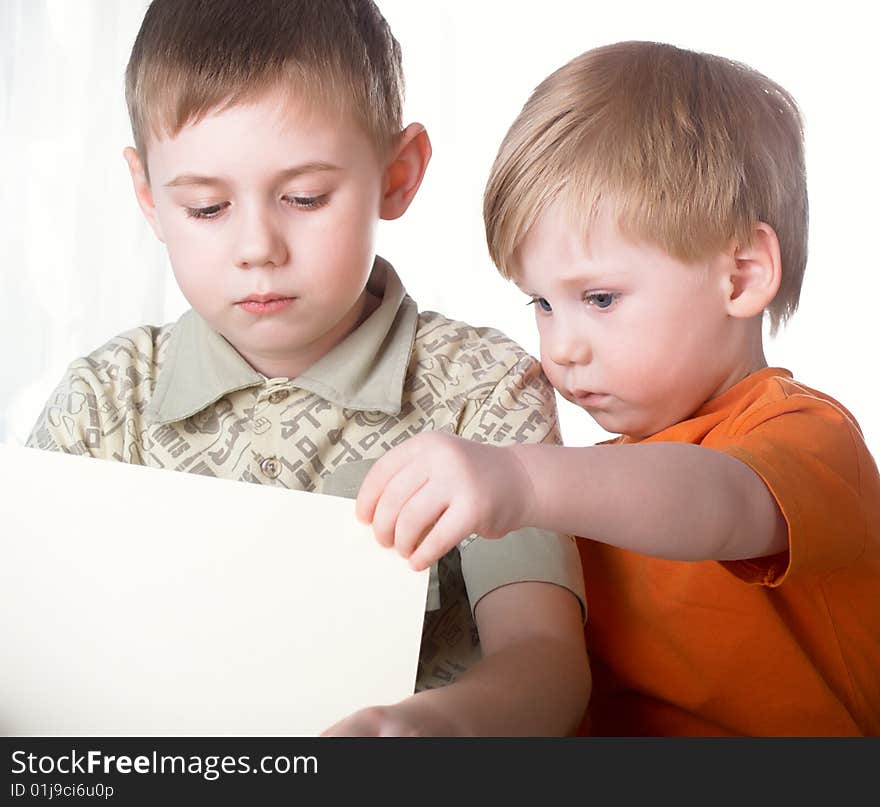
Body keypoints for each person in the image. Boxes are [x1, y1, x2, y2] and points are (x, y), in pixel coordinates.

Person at [25, 0, 589, 736]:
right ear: (148, 198)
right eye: (205, 207)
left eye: (304, 198)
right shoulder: (103, 401)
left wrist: (438, 728)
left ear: (398, 173)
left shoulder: (482, 386)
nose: (258, 245)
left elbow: (546, 659)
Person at [355, 41, 880, 736]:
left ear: (743, 276)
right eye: (540, 303)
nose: (560, 348)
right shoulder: (591, 476)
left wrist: (518, 477)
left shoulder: (806, 435)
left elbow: (715, 501)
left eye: (599, 298)